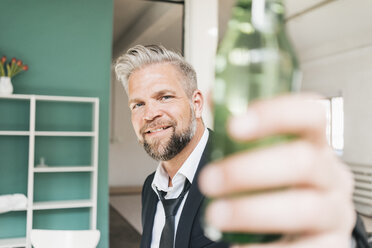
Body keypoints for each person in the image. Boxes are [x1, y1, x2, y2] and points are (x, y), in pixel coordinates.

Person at [114, 45, 369, 248]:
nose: (149, 114)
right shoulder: (150, 188)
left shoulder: (246, 171)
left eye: (165, 97)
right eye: (138, 104)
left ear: (198, 103)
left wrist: (339, 237)